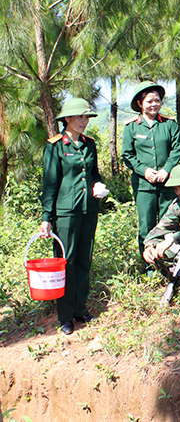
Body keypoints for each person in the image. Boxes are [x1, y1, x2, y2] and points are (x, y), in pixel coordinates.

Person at [40, 98, 107, 335]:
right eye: (79, 117)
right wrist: (46, 216)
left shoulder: (90, 144)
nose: (84, 121)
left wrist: (98, 185)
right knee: (65, 263)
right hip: (65, 212)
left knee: (83, 260)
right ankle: (65, 316)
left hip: (89, 210)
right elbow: (50, 183)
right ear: (67, 119)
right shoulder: (56, 145)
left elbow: (95, 173)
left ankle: (80, 308)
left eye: (86, 117)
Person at [122, 81, 180, 265]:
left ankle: (168, 263)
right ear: (140, 103)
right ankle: (149, 267)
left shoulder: (169, 124)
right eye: (149, 101)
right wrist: (144, 171)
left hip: (167, 183)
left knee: (168, 224)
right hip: (144, 185)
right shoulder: (131, 127)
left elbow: (177, 149)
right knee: (146, 226)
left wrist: (166, 170)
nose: (154, 104)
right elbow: (127, 155)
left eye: (157, 100)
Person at [143, 163, 180, 303]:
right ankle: (179, 277)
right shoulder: (179, 204)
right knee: (158, 247)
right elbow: (161, 227)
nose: (179, 192)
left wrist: (174, 238)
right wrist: (149, 246)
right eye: (175, 188)